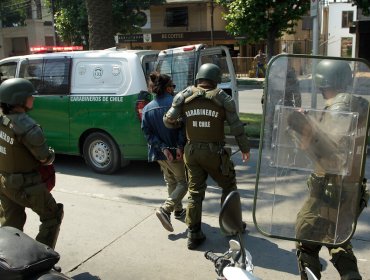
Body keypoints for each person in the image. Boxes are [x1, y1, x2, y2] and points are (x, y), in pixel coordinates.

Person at [163, 63, 250, 250]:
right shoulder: (222, 98)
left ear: (199, 78)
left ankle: (193, 234)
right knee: (228, 186)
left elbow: (168, 120)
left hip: (191, 152)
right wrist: (244, 148)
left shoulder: (184, 96)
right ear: (216, 79)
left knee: (195, 192)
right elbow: (236, 127)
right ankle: (231, 228)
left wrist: (180, 123)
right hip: (214, 153)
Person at [293, 60, 366, 280]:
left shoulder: (338, 107)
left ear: (326, 82)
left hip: (328, 188)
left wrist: (302, 129)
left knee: (306, 240)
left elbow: (330, 150)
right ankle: (351, 275)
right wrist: (313, 120)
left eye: (321, 85)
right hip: (352, 187)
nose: (320, 90)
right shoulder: (360, 104)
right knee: (337, 238)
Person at [0, 78, 63, 249]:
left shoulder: (2, 119)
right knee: (53, 216)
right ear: (19, 99)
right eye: (30, 96)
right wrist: (50, 155)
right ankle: (42, 258)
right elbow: (44, 158)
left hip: (4, 181)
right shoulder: (28, 126)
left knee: (11, 223)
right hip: (27, 185)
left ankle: (8, 259)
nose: (33, 99)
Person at [141, 72, 188, 232]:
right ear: (168, 88)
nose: (174, 89)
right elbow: (183, 128)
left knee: (171, 181)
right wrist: (179, 147)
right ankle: (166, 209)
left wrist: (162, 148)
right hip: (176, 153)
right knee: (184, 183)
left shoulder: (147, 109)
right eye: (173, 86)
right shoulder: (175, 105)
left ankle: (179, 210)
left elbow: (148, 134)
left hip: (160, 153)